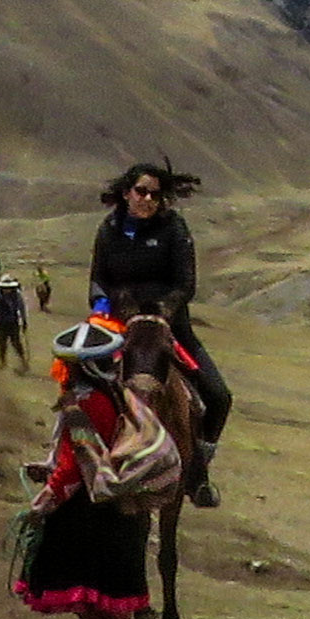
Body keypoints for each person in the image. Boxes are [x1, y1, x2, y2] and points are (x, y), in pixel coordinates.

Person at [15, 317, 161, 619]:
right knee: (98, 603)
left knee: (92, 603)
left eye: (68, 365)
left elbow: (75, 465)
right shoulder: (117, 396)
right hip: (120, 511)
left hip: (93, 516)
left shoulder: (83, 403)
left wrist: (45, 500)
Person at [87, 162, 233, 508]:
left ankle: (197, 474)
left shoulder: (174, 228)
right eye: (141, 191)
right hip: (118, 325)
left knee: (219, 397)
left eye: (154, 194)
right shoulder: (109, 229)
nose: (148, 199)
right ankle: (74, 463)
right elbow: (98, 279)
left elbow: (186, 283)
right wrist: (104, 308)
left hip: (169, 326)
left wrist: (163, 311)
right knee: (81, 386)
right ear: (127, 193)